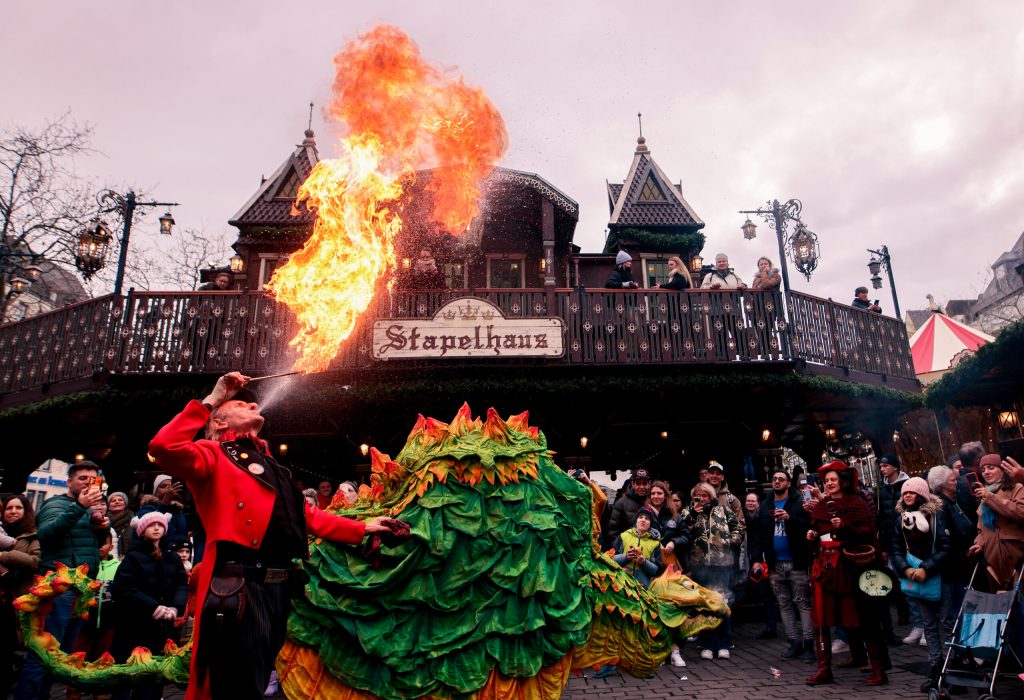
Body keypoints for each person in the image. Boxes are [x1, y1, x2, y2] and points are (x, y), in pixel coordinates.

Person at [147, 371, 397, 700]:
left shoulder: (273, 467)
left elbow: (308, 517)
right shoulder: (212, 454)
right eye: (240, 404)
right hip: (237, 587)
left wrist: (363, 528)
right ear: (219, 422)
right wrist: (213, 398)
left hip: (276, 589)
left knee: (257, 679)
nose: (253, 404)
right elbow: (163, 446)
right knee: (233, 687)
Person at [15, 461, 110, 700]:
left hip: (81, 588)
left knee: (61, 654)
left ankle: (43, 695)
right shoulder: (54, 504)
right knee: (45, 650)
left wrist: (100, 528)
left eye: (92, 479)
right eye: (82, 478)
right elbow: (47, 535)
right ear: (69, 482)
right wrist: (80, 506)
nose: (88, 483)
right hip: (59, 588)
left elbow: (89, 546)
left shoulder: (88, 509)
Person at [804, 461, 887, 686]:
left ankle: (879, 670)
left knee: (864, 616)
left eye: (833, 479)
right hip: (825, 568)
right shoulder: (822, 505)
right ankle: (824, 670)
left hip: (851, 568)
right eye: (826, 480)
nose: (829, 483)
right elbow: (817, 528)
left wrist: (845, 526)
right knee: (821, 618)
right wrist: (812, 534)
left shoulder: (856, 503)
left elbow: (867, 533)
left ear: (842, 481)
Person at [110, 512, 188, 700]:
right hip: (135, 624)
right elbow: (125, 588)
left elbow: (181, 584)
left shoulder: (172, 557)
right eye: (151, 525)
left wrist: (175, 607)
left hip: (163, 625)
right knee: (130, 671)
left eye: (160, 525)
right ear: (142, 530)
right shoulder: (133, 557)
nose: (156, 528)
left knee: (156, 674)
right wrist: (152, 607)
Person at [890, 477, 950, 692]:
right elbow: (896, 548)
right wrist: (905, 569)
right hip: (915, 576)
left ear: (922, 494)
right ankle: (936, 669)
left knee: (948, 624)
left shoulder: (936, 516)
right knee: (929, 626)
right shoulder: (901, 519)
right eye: (905, 492)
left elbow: (946, 547)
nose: (908, 495)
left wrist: (927, 567)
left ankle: (953, 667)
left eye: (912, 492)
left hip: (940, 576)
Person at [750, 471, 815, 662]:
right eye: (774, 479)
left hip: (796, 561)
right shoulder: (765, 505)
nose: (777, 482)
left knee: (803, 603)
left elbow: (810, 526)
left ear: (788, 483)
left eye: (781, 479)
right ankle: (794, 642)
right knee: (784, 603)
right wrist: (756, 559)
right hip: (775, 563)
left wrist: (790, 518)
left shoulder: (799, 502)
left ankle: (809, 644)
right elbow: (758, 535)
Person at [681, 482, 740, 660]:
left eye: (705, 495)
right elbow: (682, 530)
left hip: (722, 563)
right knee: (703, 605)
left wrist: (733, 539)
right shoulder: (688, 512)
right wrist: (693, 513)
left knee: (722, 603)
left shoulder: (723, 510)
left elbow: (738, 527)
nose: (702, 499)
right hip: (699, 565)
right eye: (698, 496)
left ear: (712, 496)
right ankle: (707, 644)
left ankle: (723, 644)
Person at [0, 495, 40, 697]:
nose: (13, 511)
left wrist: (4, 556)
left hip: (14, 600)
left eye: (18, 508)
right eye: (9, 508)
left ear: (26, 511)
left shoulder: (33, 535)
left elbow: (36, 561)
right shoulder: (1, 532)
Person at [967, 453, 1024, 591]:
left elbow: (1020, 512)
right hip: (994, 563)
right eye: (983, 469)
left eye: (991, 468)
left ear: (1003, 469)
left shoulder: (1018, 488)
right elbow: (982, 528)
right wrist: (979, 543)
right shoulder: (984, 494)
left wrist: (990, 497)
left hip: (1018, 559)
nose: (986, 472)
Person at [876, 454, 915, 643]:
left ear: (895, 467)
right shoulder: (883, 489)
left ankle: (916, 616)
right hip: (891, 537)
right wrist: (883, 545)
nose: (883, 469)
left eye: (886, 466)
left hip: (907, 538)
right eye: (881, 466)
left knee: (910, 576)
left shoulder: (907, 485)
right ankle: (903, 611)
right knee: (896, 578)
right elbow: (883, 518)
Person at [742, 491, 778, 641]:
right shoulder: (743, 518)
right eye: (748, 501)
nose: (750, 503)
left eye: (753, 501)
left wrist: (758, 558)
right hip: (750, 556)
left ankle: (771, 626)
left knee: (767, 593)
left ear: (758, 503)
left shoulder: (762, 517)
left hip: (761, 558)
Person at [606, 467, 652, 544]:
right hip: (629, 548)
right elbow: (613, 531)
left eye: (644, 483)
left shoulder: (654, 500)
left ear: (649, 484)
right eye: (638, 483)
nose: (641, 487)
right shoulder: (621, 503)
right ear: (633, 484)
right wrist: (621, 548)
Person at [106, 492, 135, 559]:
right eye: (113, 501)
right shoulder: (105, 521)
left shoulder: (133, 520)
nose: (117, 502)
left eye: (120, 500)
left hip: (130, 557)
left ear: (125, 504)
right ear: (109, 506)